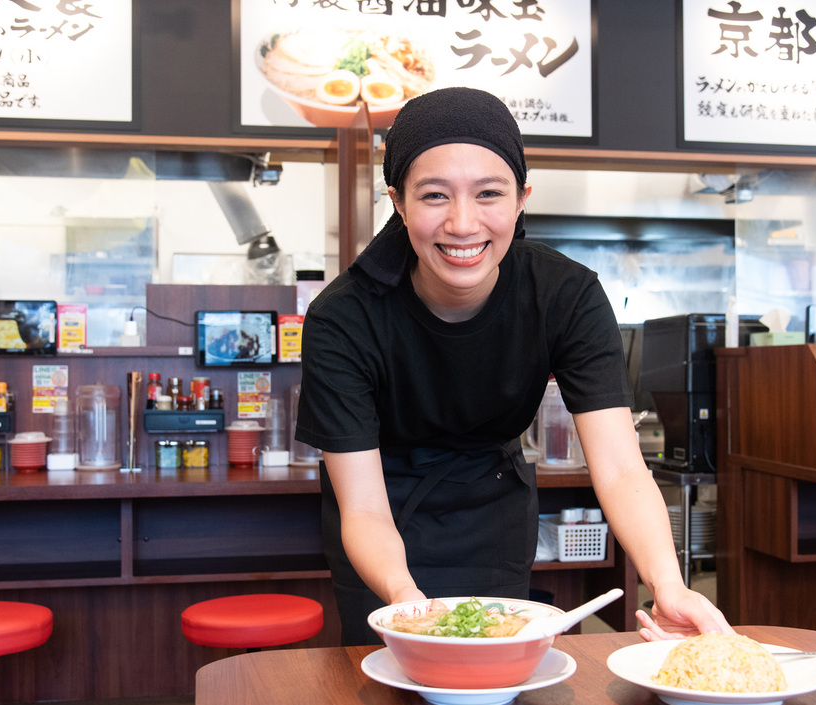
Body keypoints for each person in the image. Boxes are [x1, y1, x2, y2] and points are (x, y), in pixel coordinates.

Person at [294, 86, 733, 646]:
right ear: (398, 203)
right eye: (434, 196)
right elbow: (362, 507)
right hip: (380, 526)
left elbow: (623, 469)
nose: (462, 223)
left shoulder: (564, 295)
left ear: (521, 198)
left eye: (489, 193)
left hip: (492, 509)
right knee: (392, 675)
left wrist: (668, 584)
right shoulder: (344, 317)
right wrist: (408, 604)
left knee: (498, 670)